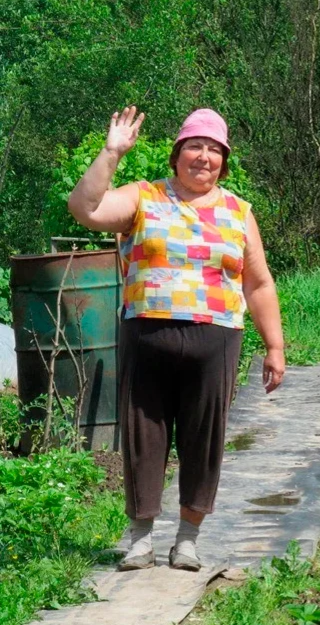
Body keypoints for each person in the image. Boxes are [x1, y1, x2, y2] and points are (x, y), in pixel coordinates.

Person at [68, 106, 286, 571]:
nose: (203, 157)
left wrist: (275, 346)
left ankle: (187, 539)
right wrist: (112, 152)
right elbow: (84, 208)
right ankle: (140, 538)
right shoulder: (143, 198)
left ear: (223, 163)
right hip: (147, 336)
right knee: (144, 438)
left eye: (214, 150)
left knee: (203, 439)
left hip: (217, 341)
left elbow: (259, 283)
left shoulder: (238, 212)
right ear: (177, 155)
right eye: (194, 146)